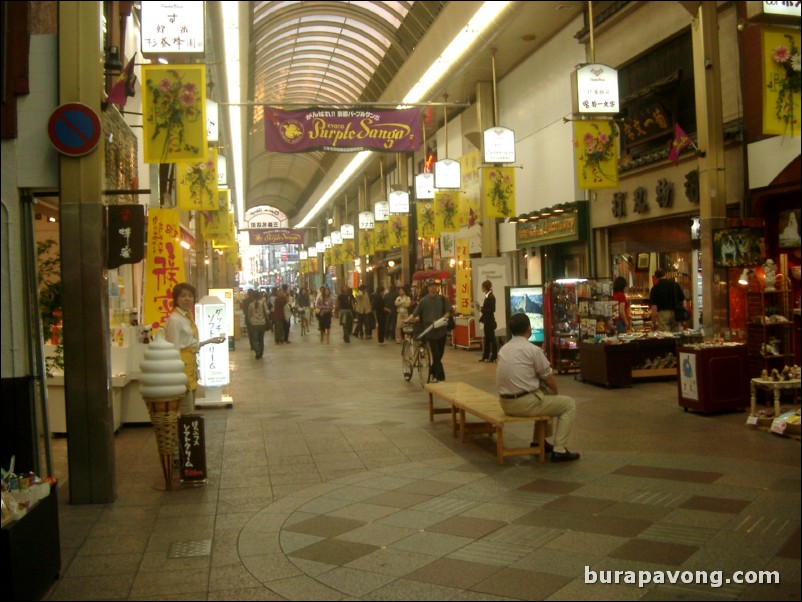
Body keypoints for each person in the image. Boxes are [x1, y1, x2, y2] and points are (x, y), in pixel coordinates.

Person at [496, 312, 579, 463]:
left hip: (505, 403)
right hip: (523, 404)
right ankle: (560, 449)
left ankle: (539, 440)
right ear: (529, 328)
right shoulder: (533, 350)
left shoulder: (503, 349)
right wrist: (557, 394)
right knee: (567, 404)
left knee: (544, 394)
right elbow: (549, 378)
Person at [164, 282, 226, 413]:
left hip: (190, 366)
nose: (187, 299)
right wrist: (178, 375)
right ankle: (183, 434)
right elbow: (173, 349)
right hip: (182, 370)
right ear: (176, 299)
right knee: (185, 410)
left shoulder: (187, 316)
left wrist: (210, 341)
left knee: (190, 407)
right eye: (183, 296)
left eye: (190, 296)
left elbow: (189, 343)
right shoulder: (175, 320)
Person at [409, 279, 451, 382]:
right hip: (430, 331)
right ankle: (440, 377)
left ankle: (433, 371)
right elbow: (415, 314)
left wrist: (442, 319)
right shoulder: (423, 301)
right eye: (431, 286)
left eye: (435, 286)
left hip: (441, 330)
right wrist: (407, 320)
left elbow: (448, 312)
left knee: (440, 354)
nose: (433, 288)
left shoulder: (442, 299)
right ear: (428, 288)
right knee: (435, 354)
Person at [478, 279, 498, 362]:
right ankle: (485, 356)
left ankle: (493, 356)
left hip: (489, 321)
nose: (482, 289)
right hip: (487, 320)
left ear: (485, 287)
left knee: (492, 339)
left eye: (482, 287)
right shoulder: (488, 296)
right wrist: (482, 308)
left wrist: (482, 310)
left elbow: (492, 309)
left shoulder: (491, 297)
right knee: (487, 339)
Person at [246, 291, 269, 359]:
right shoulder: (263, 304)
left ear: (253, 297)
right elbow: (267, 312)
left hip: (254, 324)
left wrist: (250, 320)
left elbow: (249, 315)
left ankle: (257, 351)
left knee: (255, 339)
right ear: (259, 296)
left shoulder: (251, 305)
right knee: (261, 339)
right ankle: (261, 352)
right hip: (262, 324)